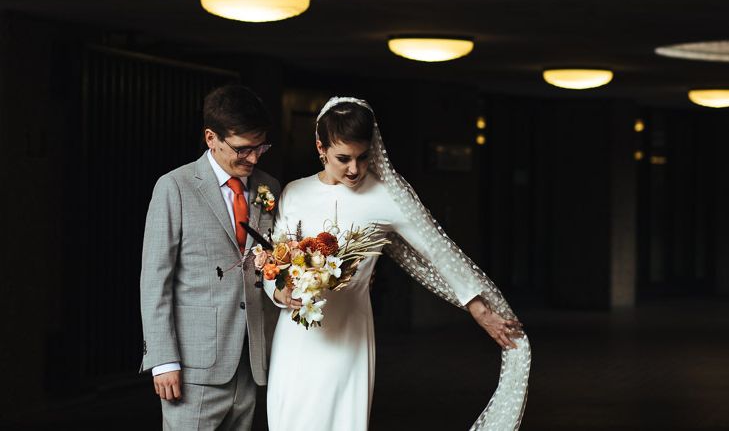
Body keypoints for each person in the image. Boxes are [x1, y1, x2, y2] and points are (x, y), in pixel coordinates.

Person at [265, 97, 531, 431]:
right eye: (343, 158)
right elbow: (276, 263)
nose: (354, 169)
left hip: (348, 338)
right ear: (320, 147)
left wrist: (480, 309)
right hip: (295, 339)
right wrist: (282, 293)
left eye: (363, 158)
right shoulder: (295, 192)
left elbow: (439, 251)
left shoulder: (386, 196)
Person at [140, 84, 281, 430]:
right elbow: (155, 280)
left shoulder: (269, 188)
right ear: (211, 138)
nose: (253, 158)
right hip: (193, 366)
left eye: (260, 146)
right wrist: (162, 360)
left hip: (251, 363)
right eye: (243, 149)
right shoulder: (175, 187)